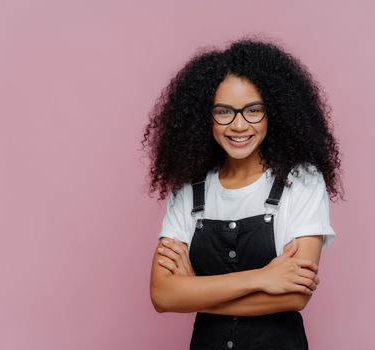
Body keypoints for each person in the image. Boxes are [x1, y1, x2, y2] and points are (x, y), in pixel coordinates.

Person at [142, 38, 343, 350]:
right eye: (223, 112)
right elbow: (162, 295)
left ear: (273, 112)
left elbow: (295, 295)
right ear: (205, 117)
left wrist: (194, 289)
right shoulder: (188, 189)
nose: (238, 125)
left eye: (253, 110)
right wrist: (261, 279)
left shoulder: (301, 181)